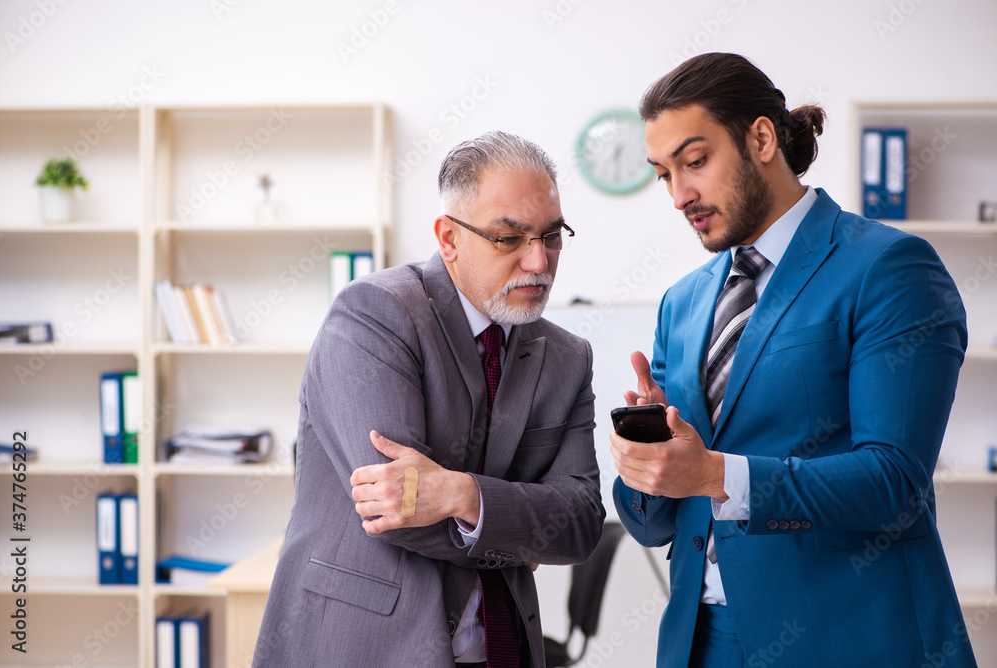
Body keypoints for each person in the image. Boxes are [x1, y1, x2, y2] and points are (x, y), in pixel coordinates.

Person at [612, 52, 976, 668]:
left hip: (846, 638)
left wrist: (715, 474)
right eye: (663, 174)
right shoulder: (683, 302)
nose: (679, 195)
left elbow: (895, 483)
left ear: (760, 138)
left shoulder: (888, 268)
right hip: (701, 643)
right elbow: (654, 526)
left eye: (695, 162)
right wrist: (645, 460)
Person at [252, 130, 605, 668]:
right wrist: (523, 524)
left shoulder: (568, 356)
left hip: (505, 649)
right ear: (449, 238)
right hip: (366, 648)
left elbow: (580, 524)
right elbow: (399, 508)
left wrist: (464, 496)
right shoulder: (373, 314)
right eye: (509, 239)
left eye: (552, 236)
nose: (539, 262)